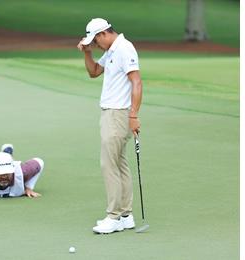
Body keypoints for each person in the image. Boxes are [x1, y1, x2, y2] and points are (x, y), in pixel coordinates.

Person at [77, 18, 143, 234]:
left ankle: (113, 217)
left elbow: (137, 81)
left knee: (109, 165)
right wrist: (87, 53)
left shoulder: (124, 48)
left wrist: (133, 115)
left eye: (95, 42)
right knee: (119, 163)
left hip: (118, 114)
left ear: (104, 33)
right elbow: (94, 71)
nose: (96, 45)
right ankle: (125, 215)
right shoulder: (113, 50)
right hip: (112, 113)